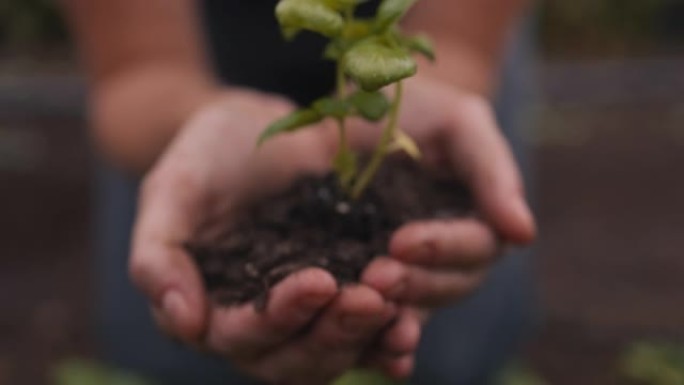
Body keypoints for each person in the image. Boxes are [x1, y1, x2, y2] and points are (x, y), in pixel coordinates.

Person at [61, 0, 537, 384]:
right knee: (180, 325)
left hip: (422, 59)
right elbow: (137, 71)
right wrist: (194, 129)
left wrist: (424, 95)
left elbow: (457, 40)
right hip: (194, 57)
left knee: (449, 351)